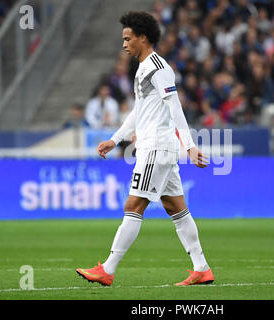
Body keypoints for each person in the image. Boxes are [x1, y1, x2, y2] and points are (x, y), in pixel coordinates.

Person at [76, 11, 214, 287]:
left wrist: (190, 146)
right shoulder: (142, 68)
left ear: (143, 38)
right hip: (157, 147)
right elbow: (139, 111)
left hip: (156, 148)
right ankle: (202, 268)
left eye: (128, 38)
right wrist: (115, 139)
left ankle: (108, 269)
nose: (124, 44)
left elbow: (175, 107)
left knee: (133, 204)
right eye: (123, 39)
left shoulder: (159, 68)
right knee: (176, 207)